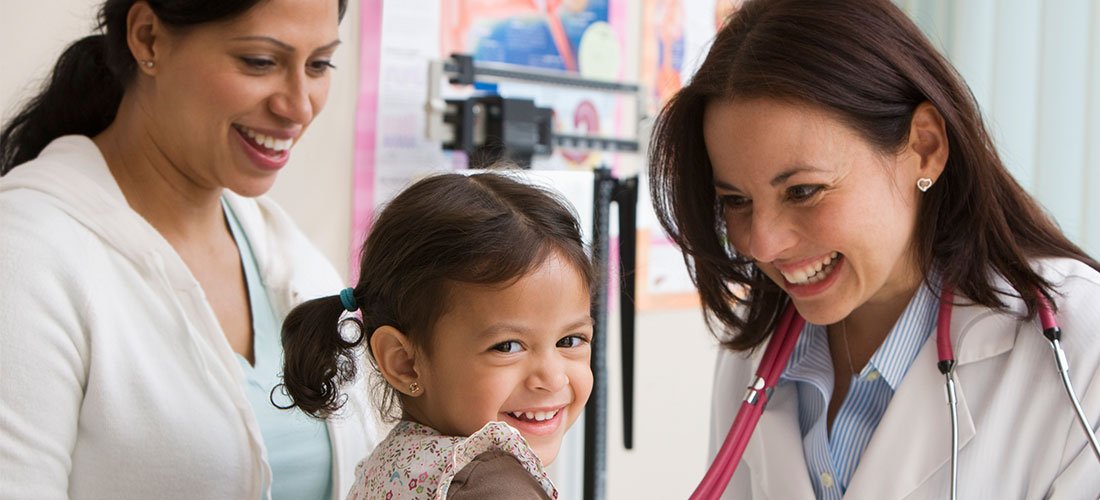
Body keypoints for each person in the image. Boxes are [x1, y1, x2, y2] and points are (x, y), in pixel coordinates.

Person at [648, 0, 1100, 498]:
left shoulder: (1078, 345)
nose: (763, 243)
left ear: (924, 148)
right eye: (736, 201)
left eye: (803, 191)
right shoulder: (754, 354)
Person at [0, 1, 378, 499]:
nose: (299, 106)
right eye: (260, 62)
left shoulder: (284, 252)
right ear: (149, 38)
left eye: (318, 65)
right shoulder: (27, 254)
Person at [280, 172, 595, 499]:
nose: (553, 378)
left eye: (570, 341)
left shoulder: (397, 463)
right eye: (507, 346)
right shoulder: (493, 488)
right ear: (405, 362)